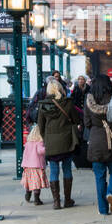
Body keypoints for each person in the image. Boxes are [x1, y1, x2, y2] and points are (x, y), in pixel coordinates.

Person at [84, 74, 112, 214]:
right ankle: (111, 193)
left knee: (99, 176)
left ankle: (103, 209)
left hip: (96, 141)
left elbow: (87, 123)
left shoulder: (89, 100)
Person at [36, 78, 79, 209]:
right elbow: (76, 120)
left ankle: (56, 202)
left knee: (54, 171)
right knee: (67, 169)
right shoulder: (68, 103)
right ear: (60, 89)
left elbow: (40, 126)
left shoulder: (43, 105)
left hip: (51, 140)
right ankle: (67, 200)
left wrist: (47, 137)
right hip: (67, 140)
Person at [21, 123, 49, 205]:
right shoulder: (39, 142)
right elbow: (41, 151)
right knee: (36, 184)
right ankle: (37, 199)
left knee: (29, 182)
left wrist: (24, 165)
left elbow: (25, 155)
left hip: (27, 167)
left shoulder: (28, 143)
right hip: (36, 166)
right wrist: (47, 148)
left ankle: (28, 194)